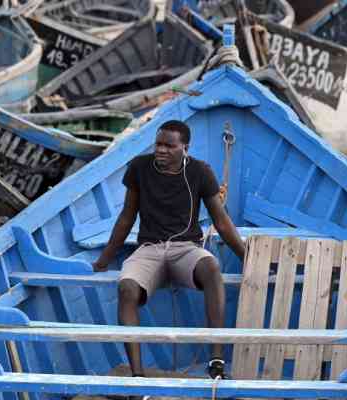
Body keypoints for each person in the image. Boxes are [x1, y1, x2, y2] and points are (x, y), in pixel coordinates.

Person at [92, 120, 246, 380]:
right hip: (149, 248)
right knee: (126, 288)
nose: (161, 150)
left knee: (211, 268)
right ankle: (137, 377)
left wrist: (246, 257)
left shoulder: (200, 172)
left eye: (169, 146)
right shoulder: (139, 168)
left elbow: (221, 221)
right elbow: (127, 217)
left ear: (184, 147)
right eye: (158, 144)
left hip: (186, 248)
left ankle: (216, 359)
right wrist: (104, 259)